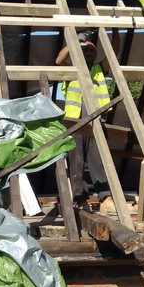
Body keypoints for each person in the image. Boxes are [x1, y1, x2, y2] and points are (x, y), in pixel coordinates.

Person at [55, 30, 119, 209]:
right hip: (75, 121)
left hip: (97, 120)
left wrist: (114, 31)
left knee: (98, 158)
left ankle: (105, 195)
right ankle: (79, 197)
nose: (88, 53)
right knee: (76, 159)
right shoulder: (72, 68)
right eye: (84, 50)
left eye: (91, 50)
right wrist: (75, 41)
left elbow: (113, 52)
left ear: (96, 54)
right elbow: (59, 60)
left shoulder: (99, 69)